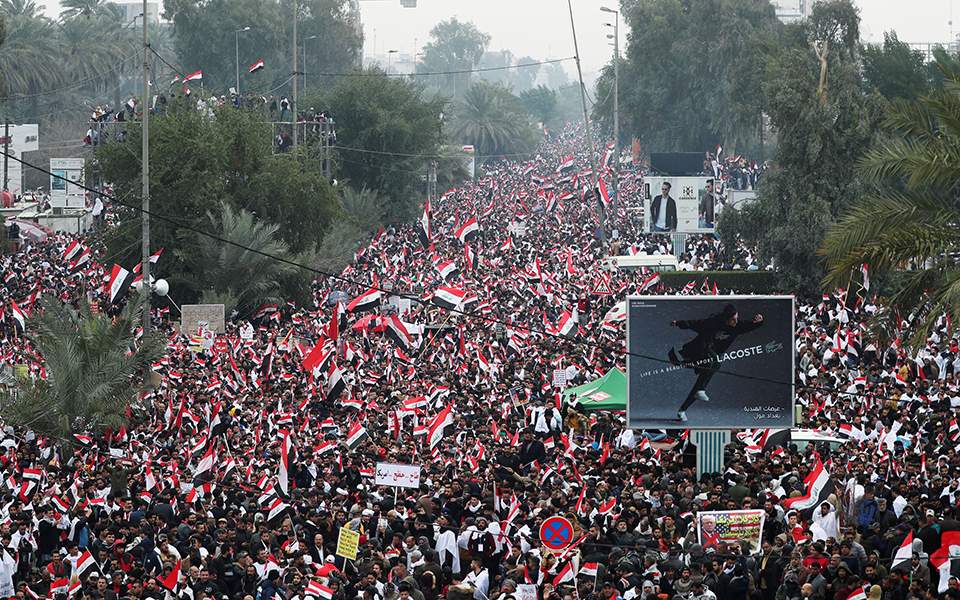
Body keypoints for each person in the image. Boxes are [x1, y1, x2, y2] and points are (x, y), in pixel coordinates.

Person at [668, 303, 765, 421]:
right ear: (726, 319)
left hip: (711, 358)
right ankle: (679, 363)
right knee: (716, 362)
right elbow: (695, 323)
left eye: (737, 318)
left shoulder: (738, 326)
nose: (736, 321)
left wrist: (759, 321)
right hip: (700, 350)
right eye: (733, 319)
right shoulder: (712, 323)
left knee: (701, 384)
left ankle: (682, 410)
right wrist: (678, 323)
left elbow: (751, 325)